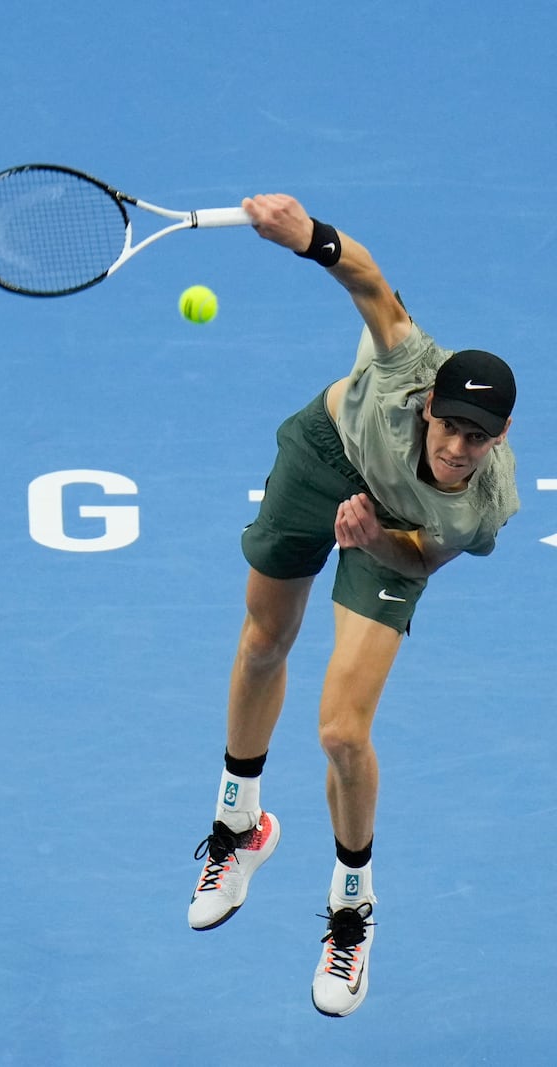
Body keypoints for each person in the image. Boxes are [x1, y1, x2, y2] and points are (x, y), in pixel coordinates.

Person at [185, 193, 519, 1018]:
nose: (456, 446)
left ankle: (351, 907)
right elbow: (371, 284)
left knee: (342, 731)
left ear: (498, 440)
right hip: (324, 455)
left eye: (477, 437)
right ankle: (240, 829)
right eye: (449, 425)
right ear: (429, 405)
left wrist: (372, 540)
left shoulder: (480, 507)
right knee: (265, 638)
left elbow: (426, 558)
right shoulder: (408, 364)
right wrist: (310, 238)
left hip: (392, 531)